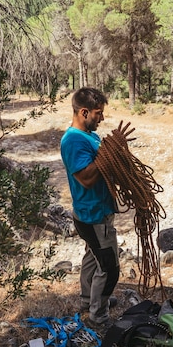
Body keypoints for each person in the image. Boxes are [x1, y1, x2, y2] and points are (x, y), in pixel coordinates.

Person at [60, 87, 132, 327]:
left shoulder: (90, 136)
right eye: (98, 113)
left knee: (93, 255)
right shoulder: (73, 140)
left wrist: (113, 153)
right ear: (83, 112)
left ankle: (87, 299)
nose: (102, 119)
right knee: (110, 266)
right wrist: (109, 152)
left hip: (94, 213)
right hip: (93, 215)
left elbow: (103, 163)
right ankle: (98, 315)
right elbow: (87, 179)